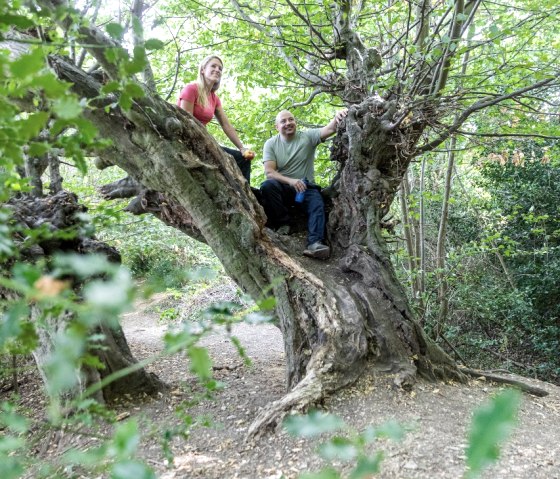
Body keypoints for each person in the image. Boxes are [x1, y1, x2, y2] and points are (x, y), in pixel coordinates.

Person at [260, 109, 347, 259]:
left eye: (291, 119)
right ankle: (284, 223)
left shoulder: (307, 137)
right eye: (283, 121)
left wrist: (339, 115)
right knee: (267, 186)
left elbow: (330, 128)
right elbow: (270, 172)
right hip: (284, 187)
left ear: (295, 122)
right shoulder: (271, 144)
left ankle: (315, 243)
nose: (288, 123)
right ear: (277, 127)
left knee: (317, 204)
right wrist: (292, 181)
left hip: (306, 188)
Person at [177, 55, 254, 182]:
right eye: (213, 66)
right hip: (188, 141)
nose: (217, 70)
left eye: (220, 68)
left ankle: (246, 192)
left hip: (205, 141)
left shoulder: (214, 98)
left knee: (242, 159)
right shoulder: (191, 89)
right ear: (202, 70)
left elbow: (226, 125)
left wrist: (242, 148)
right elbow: (186, 121)